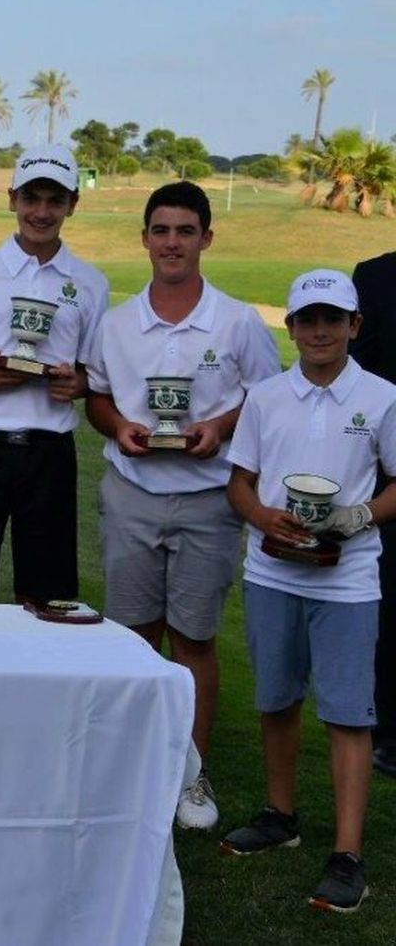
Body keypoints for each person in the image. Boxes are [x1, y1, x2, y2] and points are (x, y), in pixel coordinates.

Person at [84, 181, 279, 831]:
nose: (172, 242)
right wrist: (120, 429)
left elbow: (267, 396)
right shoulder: (117, 322)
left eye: (185, 230)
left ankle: (191, 774)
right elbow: (99, 399)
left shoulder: (237, 320)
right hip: (134, 492)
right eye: (161, 230)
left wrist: (219, 427)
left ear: (206, 238)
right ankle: (137, 764)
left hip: (206, 497)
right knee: (134, 635)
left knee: (194, 637)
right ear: (144, 238)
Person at [221, 268, 396, 914]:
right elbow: (241, 482)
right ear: (291, 328)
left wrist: (358, 516)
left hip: (347, 578)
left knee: (349, 712)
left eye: (332, 319)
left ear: (354, 325)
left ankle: (348, 853)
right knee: (276, 697)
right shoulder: (268, 396)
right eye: (307, 320)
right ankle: (280, 812)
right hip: (272, 570)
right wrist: (264, 518)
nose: (319, 331)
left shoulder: (380, 397)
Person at [0, 143, 108, 604]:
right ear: (12, 199)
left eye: (55, 200)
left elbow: (92, 372)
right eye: (31, 198)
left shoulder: (91, 282)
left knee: (45, 593)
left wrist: (79, 384)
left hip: (49, 448)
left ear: (73, 204)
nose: (41, 211)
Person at [348, 253, 396, 778]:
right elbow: (362, 369)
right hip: (393, 464)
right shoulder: (377, 276)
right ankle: (389, 731)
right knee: (393, 603)